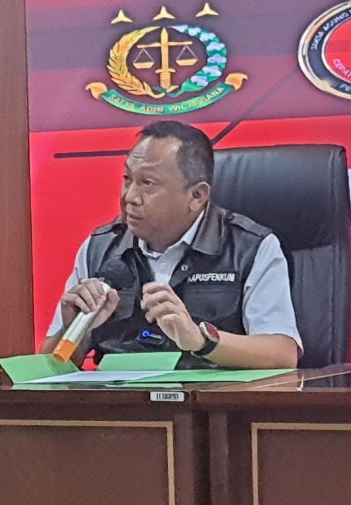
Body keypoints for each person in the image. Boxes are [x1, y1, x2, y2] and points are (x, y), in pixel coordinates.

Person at [40, 120, 301, 369]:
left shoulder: (251, 247)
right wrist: (73, 329)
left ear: (197, 195)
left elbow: (282, 353)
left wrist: (201, 341)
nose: (130, 197)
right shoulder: (99, 248)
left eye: (147, 183)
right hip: (121, 398)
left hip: (211, 396)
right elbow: (50, 367)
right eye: (127, 179)